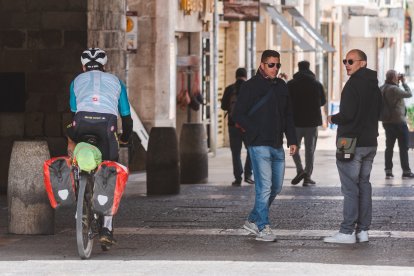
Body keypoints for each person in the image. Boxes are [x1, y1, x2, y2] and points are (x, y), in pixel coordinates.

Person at [66, 48, 133, 246]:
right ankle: (107, 229)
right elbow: (127, 119)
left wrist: (72, 138)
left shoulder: (76, 81)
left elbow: (73, 112)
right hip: (106, 127)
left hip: (81, 123)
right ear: (105, 66)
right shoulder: (116, 82)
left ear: (83, 66)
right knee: (109, 171)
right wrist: (125, 138)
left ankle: (80, 191)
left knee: (73, 142)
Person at [232, 50, 298, 242]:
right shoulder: (249, 86)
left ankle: (252, 220)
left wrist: (292, 140)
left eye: (278, 65)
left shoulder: (282, 86)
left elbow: (288, 115)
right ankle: (263, 227)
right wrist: (255, 130)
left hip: (277, 144)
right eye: (271, 65)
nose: (275, 69)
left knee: (276, 187)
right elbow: (238, 114)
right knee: (264, 187)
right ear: (262, 65)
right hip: (258, 143)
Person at [325, 49, 382, 244]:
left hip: (348, 141)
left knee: (350, 188)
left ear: (363, 63)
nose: (347, 64)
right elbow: (379, 112)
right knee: (364, 185)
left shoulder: (352, 86)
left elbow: (347, 115)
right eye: (345, 61)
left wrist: (333, 118)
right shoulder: (375, 85)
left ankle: (347, 231)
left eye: (351, 61)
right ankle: (363, 231)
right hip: (370, 142)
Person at [288, 60, 326, 186]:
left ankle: (300, 170)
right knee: (310, 150)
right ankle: (307, 175)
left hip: (295, 122)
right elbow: (323, 102)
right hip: (312, 122)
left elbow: (285, 102)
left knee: (294, 148)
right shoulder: (316, 84)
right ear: (309, 68)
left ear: (298, 68)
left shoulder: (291, 84)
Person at [221, 68, 254, 186]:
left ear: (236, 76)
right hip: (247, 126)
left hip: (233, 125)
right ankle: (248, 174)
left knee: (236, 153)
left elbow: (224, 106)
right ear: (246, 76)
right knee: (252, 150)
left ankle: (238, 178)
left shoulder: (229, 89)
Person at [380, 70, 414, 179]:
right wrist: (403, 82)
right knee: (403, 147)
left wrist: (397, 82)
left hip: (387, 122)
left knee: (389, 147)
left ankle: (388, 171)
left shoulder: (381, 88)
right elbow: (409, 94)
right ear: (394, 77)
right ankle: (406, 171)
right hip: (399, 122)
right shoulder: (394, 89)